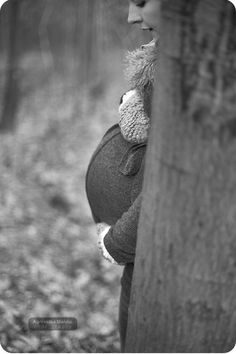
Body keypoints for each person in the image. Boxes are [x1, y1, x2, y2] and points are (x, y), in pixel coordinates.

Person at [85, 0, 159, 351]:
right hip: (146, 258)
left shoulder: (187, 75)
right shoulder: (165, 61)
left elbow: (170, 184)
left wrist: (116, 244)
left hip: (161, 261)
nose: (132, 16)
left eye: (142, 1)